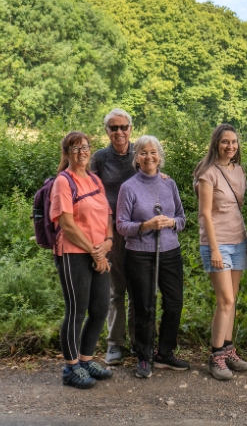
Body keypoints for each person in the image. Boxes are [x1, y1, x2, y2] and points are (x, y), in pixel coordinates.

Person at [116, 135, 189, 378]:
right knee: (144, 306)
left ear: (160, 156)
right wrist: (145, 225)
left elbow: (182, 219)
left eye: (153, 152)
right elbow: (121, 226)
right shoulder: (129, 187)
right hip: (139, 254)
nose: (149, 157)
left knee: (174, 302)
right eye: (143, 153)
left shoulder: (169, 184)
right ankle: (144, 356)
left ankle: (164, 354)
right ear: (136, 158)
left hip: (170, 251)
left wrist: (171, 222)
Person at [50, 131, 114, 389]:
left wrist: (108, 243)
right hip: (73, 253)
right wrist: (95, 252)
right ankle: (71, 367)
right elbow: (67, 224)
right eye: (74, 148)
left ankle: (86, 360)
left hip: (99, 250)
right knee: (76, 311)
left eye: (85, 147)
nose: (81, 152)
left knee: (99, 310)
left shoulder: (96, 180)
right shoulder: (63, 182)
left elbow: (107, 216)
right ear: (66, 153)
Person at [194, 124, 247, 381]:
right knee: (225, 301)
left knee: (233, 301)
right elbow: (205, 213)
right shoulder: (208, 174)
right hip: (217, 244)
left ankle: (228, 349)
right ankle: (216, 355)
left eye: (234, 142)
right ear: (216, 143)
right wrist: (215, 248)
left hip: (238, 240)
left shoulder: (238, 170)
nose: (230, 146)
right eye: (225, 142)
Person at [90, 108, 137, 365]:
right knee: (116, 291)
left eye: (123, 127)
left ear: (131, 128)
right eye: (113, 128)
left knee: (139, 289)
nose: (119, 132)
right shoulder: (99, 158)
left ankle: (139, 342)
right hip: (111, 235)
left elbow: (153, 175)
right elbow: (88, 192)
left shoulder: (139, 154)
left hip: (139, 234)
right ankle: (115, 344)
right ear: (106, 131)